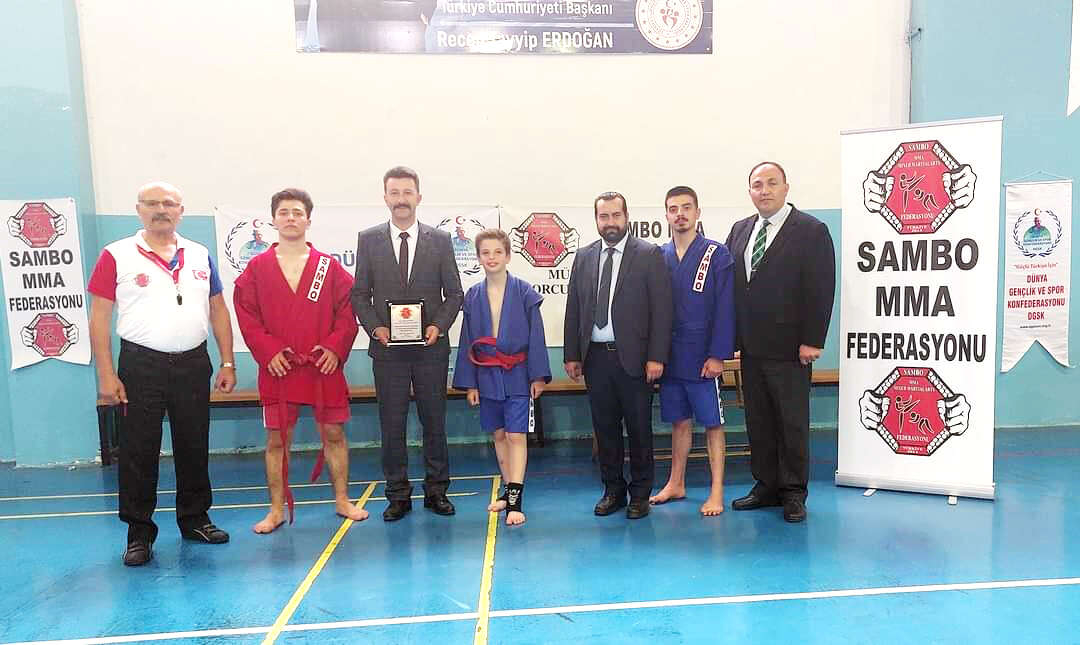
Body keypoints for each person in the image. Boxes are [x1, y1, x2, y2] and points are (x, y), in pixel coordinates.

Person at [88, 181, 237, 566]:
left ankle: (195, 519)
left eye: (169, 204)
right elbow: (99, 317)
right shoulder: (116, 254)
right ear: (139, 210)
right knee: (138, 451)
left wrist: (227, 362)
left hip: (193, 363)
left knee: (194, 444)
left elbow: (218, 309)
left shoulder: (199, 254)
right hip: (140, 366)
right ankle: (139, 533)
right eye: (152, 203)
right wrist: (106, 374)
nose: (161, 210)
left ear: (180, 211)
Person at [232, 188, 366, 534]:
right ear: (273, 220)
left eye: (297, 212)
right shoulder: (257, 268)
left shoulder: (328, 267)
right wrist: (269, 351)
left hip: (322, 365)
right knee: (277, 440)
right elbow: (247, 316)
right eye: (284, 212)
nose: (290, 218)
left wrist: (334, 348)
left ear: (308, 220)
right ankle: (276, 509)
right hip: (279, 367)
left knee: (334, 433)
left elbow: (348, 312)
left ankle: (342, 500)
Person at [351, 166, 464, 521]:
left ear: (419, 197)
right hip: (388, 352)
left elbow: (455, 294)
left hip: (430, 349)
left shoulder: (440, 240)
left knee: (435, 423)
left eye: (407, 192)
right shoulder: (368, 239)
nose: (401, 199)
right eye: (395, 192)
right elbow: (359, 294)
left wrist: (438, 326)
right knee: (392, 425)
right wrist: (375, 329)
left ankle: (437, 492)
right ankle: (397, 495)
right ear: (385, 197)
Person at [725, 162, 836, 523]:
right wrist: (730, 338)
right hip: (751, 347)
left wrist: (812, 340)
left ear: (786, 188)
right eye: (757, 185)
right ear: (750, 192)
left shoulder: (811, 230)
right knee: (758, 420)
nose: (765, 190)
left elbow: (821, 287)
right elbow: (732, 288)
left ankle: (792, 492)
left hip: (791, 348)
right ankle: (766, 485)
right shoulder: (740, 230)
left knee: (791, 422)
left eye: (772, 183)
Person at [564, 191, 673, 519]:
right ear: (596, 219)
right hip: (595, 359)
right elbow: (574, 307)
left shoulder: (648, 254)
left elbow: (662, 310)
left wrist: (656, 356)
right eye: (604, 216)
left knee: (639, 429)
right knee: (605, 429)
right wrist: (572, 354)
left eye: (615, 215)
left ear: (626, 217)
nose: (610, 222)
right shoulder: (583, 257)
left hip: (636, 360)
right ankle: (613, 491)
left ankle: (640, 494)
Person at [453, 229, 550, 526]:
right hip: (487, 374)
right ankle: (508, 492)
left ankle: (516, 502)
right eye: (486, 253)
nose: (492, 258)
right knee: (498, 435)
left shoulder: (524, 292)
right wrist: (470, 383)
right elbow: (467, 339)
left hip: (518, 372)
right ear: (478, 257)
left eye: (497, 252)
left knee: (516, 434)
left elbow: (536, 336)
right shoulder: (473, 296)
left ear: (508, 256)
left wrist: (538, 376)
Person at [649, 186, 735, 516]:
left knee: (712, 423)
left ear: (698, 213)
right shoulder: (659, 255)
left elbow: (725, 307)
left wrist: (718, 355)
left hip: (702, 355)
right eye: (673, 209)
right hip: (671, 355)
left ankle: (716, 491)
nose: (680, 214)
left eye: (686, 207)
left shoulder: (717, 253)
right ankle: (676, 482)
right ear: (666, 215)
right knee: (679, 422)